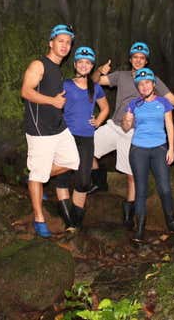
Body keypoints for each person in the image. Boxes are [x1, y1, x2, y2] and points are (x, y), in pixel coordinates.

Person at [92, 41, 174, 229]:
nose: (138, 60)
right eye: (135, 57)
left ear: (146, 61)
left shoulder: (151, 80)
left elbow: (172, 100)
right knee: (87, 148)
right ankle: (98, 183)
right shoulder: (122, 76)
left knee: (131, 175)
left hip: (134, 133)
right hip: (115, 125)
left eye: (142, 58)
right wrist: (100, 69)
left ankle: (128, 215)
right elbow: (95, 80)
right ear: (130, 59)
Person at [20, 24, 81, 238]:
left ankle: (36, 177)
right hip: (40, 131)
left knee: (72, 161)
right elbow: (26, 91)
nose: (64, 45)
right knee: (38, 173)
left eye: (68, 42)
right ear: (51, 43)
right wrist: (53, 102)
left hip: (58, 127)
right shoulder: (39, 65)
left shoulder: (57, 69)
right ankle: (39, 219)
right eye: (60, 41)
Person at [121, 68, 174, 242]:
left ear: (153, 84)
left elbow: (169, 125)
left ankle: (172, 223)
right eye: (141, 84)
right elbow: (126, 128)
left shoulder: (164, 103)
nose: (144, 86)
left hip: (159, 148)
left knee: (164, 187)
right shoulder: (133, 104)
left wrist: (171, 148)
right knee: (140, 189)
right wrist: (126, 121)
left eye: (147, 83)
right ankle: (139, 229)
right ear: (138, 87)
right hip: (138, 149)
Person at [61, 46, 110, 229]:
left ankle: (76, 221)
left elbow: (105, 107)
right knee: (64, 176)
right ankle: (72, 225)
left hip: (86, 137)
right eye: (80, 62)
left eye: (87, 63)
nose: (83, 65)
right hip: (67, 136)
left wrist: (98, 121)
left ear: (91, 66)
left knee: (83, 181)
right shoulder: (66, 85)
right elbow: (55, 106)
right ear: (74, 64)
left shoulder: (95, 88)